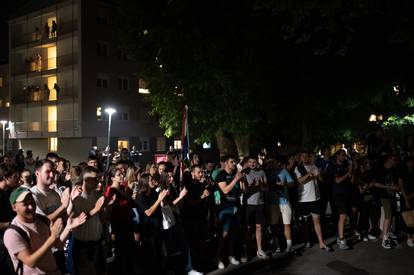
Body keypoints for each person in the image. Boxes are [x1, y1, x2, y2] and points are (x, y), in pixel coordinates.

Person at [4, 187, 86, 275]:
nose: (31, 207)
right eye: (25, 204)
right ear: (14, 207)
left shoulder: (42, 220)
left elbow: (58, 245)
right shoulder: (12, 233)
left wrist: (68, 227)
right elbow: (31, 262)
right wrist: (52, 237)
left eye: (32, 202)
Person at [70, 166, 108, 275]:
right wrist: (96, 209)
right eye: (95, 179)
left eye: (98, 178)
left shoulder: (96, 195)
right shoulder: (77, 196)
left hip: (97, 243)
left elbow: (103, 220)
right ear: (86, 180)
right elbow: (78, 220)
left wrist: (105, 207)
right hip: (83, 246)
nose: (98, 181)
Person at [295, 152, 332, 252]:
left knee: (317, 221)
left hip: (315, 198)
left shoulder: (314, 166)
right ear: (300, 158)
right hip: (304, 199)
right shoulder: (298, 168)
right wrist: (309, 174)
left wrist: (319, 175)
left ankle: (321, 242)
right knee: (306, 222)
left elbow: (321, 180)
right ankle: (307, 240)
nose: (305, 157)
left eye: (307, 156)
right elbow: (300, 181)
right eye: (303, 156)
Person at [215, 155, 242, 269]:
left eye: (234, 162)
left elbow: (241, 190)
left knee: (234, 233)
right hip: (224, 208)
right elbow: (225, 190)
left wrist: (241, 181)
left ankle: (231, 255)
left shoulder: (236, 172)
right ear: (226, 163)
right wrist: (235, 179)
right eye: (232, 162)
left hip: (235, 206)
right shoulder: (221, 175)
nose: (234, 164)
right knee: (224, 234)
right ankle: (218, 258)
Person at [242, 156, 268, 259]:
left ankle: (260, 249)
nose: (252, 164)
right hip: (249, 204)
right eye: (250, 162)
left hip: (260, 203)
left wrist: (261, 185)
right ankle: (245, 250)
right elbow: (244, 191)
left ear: (257, 162)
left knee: (259, 227)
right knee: (248, 228)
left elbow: (266, 189)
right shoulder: (245, 173)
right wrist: (252, 185)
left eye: (254, 162)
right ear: (247, 163)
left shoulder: (262, 172)